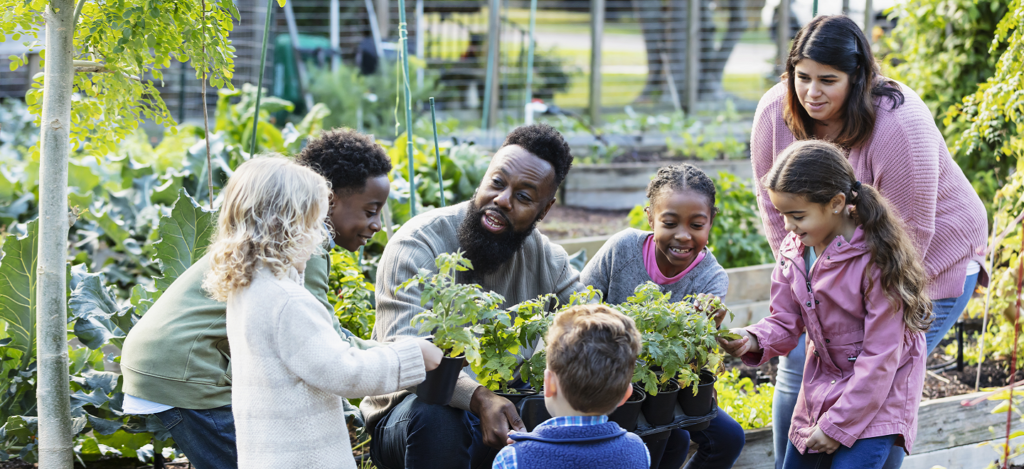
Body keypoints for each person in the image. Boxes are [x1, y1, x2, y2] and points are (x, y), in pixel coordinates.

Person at [749, 15, 988, 468]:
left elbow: (909, 238)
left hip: (925, 261)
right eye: (802, 77)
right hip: (839, 263)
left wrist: (853, 301)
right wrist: (804, 291)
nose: (811, 92)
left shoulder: (898, 124)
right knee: (798, 367)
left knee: (882, 381)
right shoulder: (775, 113)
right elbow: (780, 220)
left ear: (858, 78)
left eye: (828, 80)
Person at [120, 129, 393, 469]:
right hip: (188, 371)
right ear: (328, 200)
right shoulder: (301, 251)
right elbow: (326, 342)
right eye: (370, 211)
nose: (377, 225)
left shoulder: (267, 246)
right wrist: (398, 358)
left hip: (168, 362)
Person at [363, 123, 584, 469]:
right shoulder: (418, 243)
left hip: (506, 418)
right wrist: (478, 397)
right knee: (437, 415)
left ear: (544, 210)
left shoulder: (548, 262)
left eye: (524, 197)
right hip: (407, 420)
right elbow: (405, 353)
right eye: (497, 182)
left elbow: (591, 325)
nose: (502, 200)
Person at [202, 156, 442, 468]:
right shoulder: (288, 302)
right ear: (287, 226)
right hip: (303, 457)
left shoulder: (248, 289)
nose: (319, 237)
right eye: (315, 225)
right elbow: (344, 372)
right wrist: (413, 356)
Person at [721, 140, 931, 469]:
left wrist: (838, 426)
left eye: (797, 215)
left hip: (880, 394)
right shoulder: (795, 252)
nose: (788, 226)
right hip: (824, 383)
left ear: (836, 203)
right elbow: (785, 321)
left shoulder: (877, 261)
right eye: (783, 214)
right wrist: (752, 338)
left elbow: (881, 357)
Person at [580, 164, 745, 468]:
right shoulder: (622, 248)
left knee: (729, 438)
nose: (683, 236)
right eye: (670, 223)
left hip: (668, 385)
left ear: (710, 223)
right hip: (604, 376)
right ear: (650, 217)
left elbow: (695, 351)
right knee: (671, 438)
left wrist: (709, 324)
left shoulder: (711, 278)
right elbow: (577, 304)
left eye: (696, 225)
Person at [492, 304, 649, 469]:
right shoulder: (639, 450)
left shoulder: (512, 459)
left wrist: (523, 448)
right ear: (626, 394)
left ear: (549, 383)